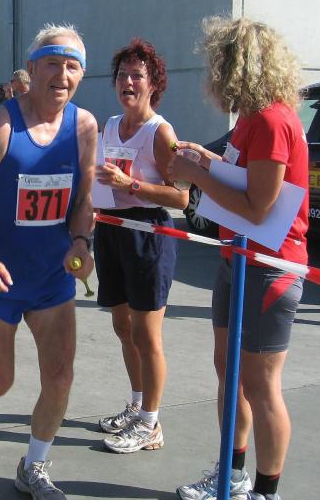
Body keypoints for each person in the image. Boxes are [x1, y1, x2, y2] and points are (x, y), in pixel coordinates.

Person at [0, 23, 97, 499]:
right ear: (32, 69)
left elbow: (84, 200)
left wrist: (81, 242)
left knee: (61, 377)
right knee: (0, 382)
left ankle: (33, 466)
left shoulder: (84, 127)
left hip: (52, 277)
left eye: (72, 67)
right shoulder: (2, 125)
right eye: (52, 63)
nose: (62, 75)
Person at [171, 17, 309, 500]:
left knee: (259, 383)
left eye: (220, 62)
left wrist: (195, 175)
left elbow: (258, 206)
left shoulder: (271, 120)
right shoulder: (252, 118)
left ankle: (266, 492)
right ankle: (232, 473)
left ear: (238, 65)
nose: (214, 73)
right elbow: (242, 178)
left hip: (270, 268)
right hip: (239, 259)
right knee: (230, 374)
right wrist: (204, 160)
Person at [93, 39, 189, 455]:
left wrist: (130, 184)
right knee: (123, 327)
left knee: (147, 336)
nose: (128, 83)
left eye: (137, 76)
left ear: (153, 85)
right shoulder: (110, 125)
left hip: (148, 233)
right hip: (110, 230)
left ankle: (151, 423)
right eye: (122, 75)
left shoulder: (160, 132)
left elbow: (181, 196)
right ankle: (137, 406)